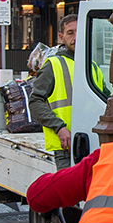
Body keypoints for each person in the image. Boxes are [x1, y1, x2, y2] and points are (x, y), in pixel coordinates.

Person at [29, 12, 77, 166]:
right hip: (66, 146)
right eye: (70, 33)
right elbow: (35, 102)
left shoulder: (93, 65)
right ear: (61, 37)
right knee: (69, 190)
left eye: (79, 31)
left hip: (90, 142)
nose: (75, 36)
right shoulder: (53, 64)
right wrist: (59, 127)